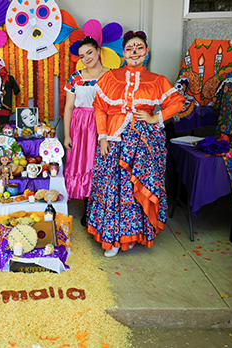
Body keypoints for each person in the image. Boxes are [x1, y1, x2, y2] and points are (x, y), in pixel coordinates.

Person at [88, 30, 185, 257]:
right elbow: (100, 108)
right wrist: (102, 136)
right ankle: (111, 238)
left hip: (144, 143)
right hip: (114, 139)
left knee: (134, 188)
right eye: (130, 48)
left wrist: (155, 117)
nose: (134, 52)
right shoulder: (109, 78)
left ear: (147, 52)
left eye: (139, 47)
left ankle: (131, 235)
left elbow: (178, 102)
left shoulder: (157, 80)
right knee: (112, 187)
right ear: (123, 53)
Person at [63, 36, 108, 226]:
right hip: (80, 127)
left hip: (103, 125)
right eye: (82, 56)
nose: (86, 58)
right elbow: (68, 107)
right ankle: (88, 209)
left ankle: (102, 209)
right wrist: (66, 135)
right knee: (82, 164)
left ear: (98, 50)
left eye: (89, 52)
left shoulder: (111, 76)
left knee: (100, 165)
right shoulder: (76, 77)